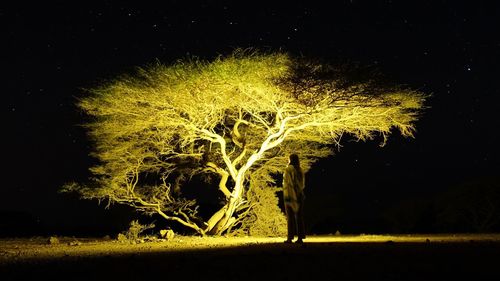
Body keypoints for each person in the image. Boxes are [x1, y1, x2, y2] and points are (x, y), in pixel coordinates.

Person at [282, 153, 306, 244]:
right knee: (299, 217)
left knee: (290, 217)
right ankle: (300, 238)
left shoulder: (288, 169)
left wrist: (290, 195)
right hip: (300, 195)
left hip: (289, 195)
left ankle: (289, 238)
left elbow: (287, 184)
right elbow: (302, 184)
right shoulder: (300, 170)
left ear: (291, 160)